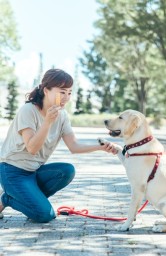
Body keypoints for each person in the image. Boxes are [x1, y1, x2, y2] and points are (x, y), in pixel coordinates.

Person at [0, 68, 117, 223]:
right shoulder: (28, 111)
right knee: (45, 215)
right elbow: (32, 148)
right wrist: (47, 122)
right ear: (46, 90)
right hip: (12, 171)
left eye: (69, 92)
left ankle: (30, 202)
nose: (66, 97)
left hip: (33, 172)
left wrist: (100, 147)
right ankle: (7, 198)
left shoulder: (62, 116)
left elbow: (74, 146)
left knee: (67, 170)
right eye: (62, 92)